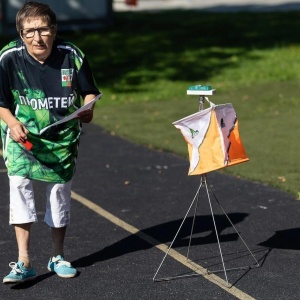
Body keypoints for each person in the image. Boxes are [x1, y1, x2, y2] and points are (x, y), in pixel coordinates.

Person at [0, 1, 100, 283]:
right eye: (29, 31)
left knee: (58, 193)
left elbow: (90, 92)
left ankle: (57, 256)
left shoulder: (72, 55)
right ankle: (23, 261)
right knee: (19, 186)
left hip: (62, 139)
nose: (37, 37)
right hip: (23, 138)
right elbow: (1, 103)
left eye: (43, 29)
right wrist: (12, 123)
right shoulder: (8, 57)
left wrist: (89, 108)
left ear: (54, 31)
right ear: (21, 34)